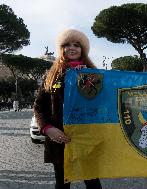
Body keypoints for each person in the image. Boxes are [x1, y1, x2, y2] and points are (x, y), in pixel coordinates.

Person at [33, 29, 102, 189]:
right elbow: (38, 106)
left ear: (82, 49)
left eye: (76, 45)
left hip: (86, 139)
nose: (72, 48)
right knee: (62, 184)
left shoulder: (93, 75)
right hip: (59, 139)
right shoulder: (51, 76)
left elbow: (100, 104)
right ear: (61, 49)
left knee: (93, 183)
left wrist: (84, 79)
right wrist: (48, 129)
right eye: (67, 45)